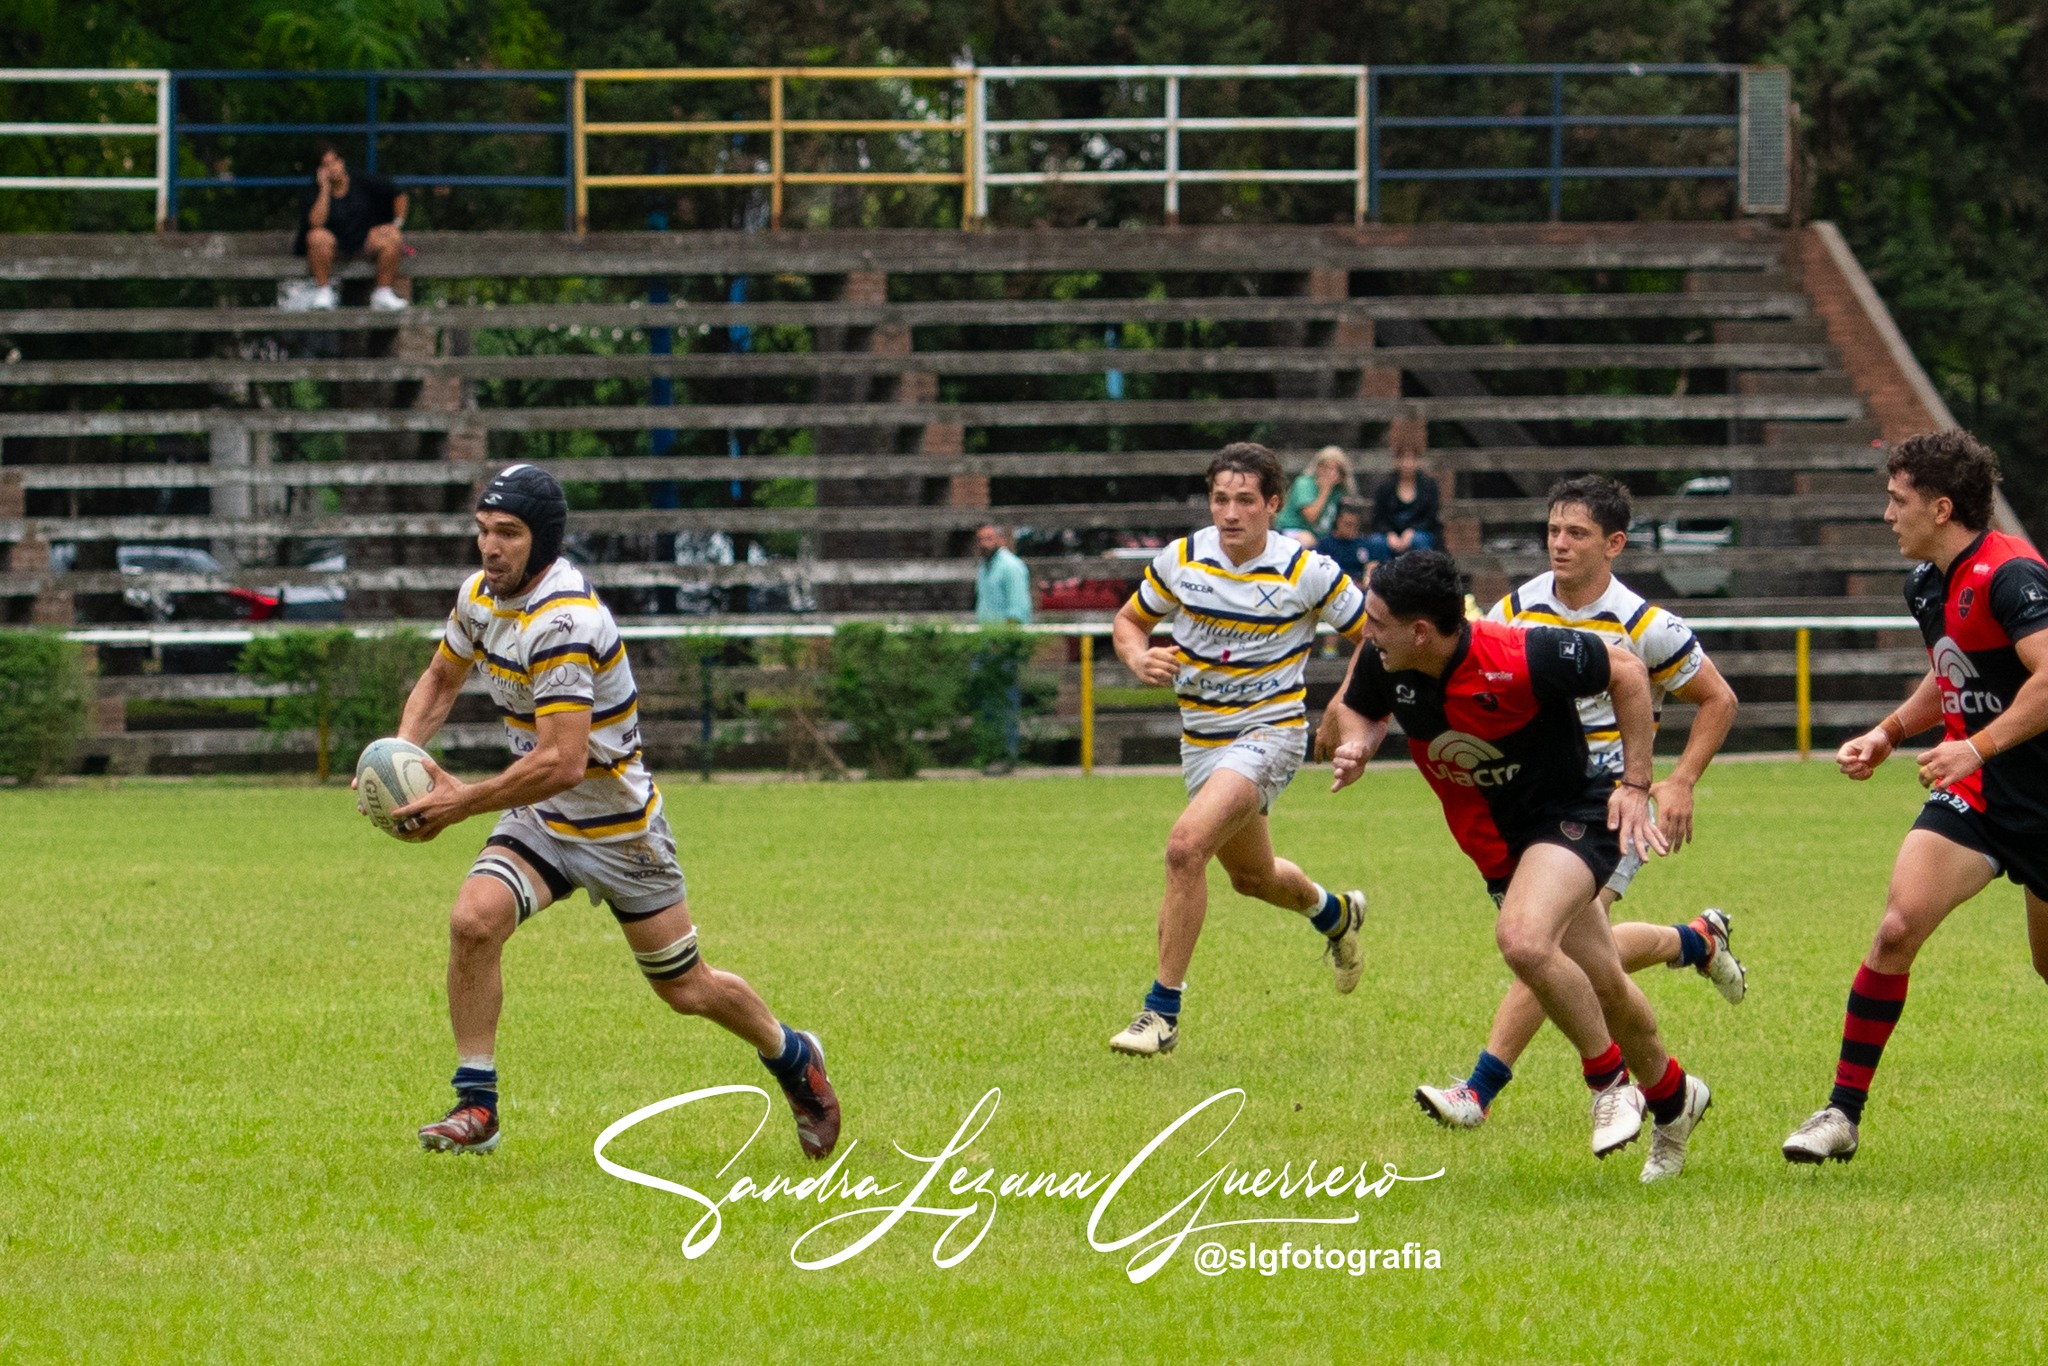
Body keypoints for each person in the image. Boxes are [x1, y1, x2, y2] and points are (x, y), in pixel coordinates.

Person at [378, 464, 841, 1159]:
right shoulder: (479, 598)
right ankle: (478, 1106)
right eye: (483, 532)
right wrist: (397, 761)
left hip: (620, 830)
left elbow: (562, 760)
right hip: (541, 818)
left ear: (543, 541)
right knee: (473, 922)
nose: (490, 548)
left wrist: (459, 803)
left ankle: (792, 1054)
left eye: (508, 534)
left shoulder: (565, 622)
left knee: (685, 988)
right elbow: (442, 677)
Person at [1326, 551, 1712, 1182]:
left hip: (1574, 818)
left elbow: (1630, 673)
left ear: (1420, 630)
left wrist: (1638, 783)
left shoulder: (1519, 654)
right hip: (1499, 847)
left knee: (1524, 941)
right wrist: (1358, 744)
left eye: (1376, 621)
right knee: (1606, 984)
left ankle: (1609, 1083)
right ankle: (1674, 1099)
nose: (1365, 633)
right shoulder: (1384, 660)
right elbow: (1361, 709)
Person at [1412, 475, 1744, 1131]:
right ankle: (1694, 941)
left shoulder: (1645, 623)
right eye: (1553, 530)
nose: (1559, 545)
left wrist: (1677, 782)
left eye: (1577, 534)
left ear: (1614, 544)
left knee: (1545, 938)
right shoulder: (1515, 610)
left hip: (1610, 805)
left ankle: (1479, 1090)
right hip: (1539, 806)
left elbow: (1719, 699)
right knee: (1581, 951)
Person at [1782, 431, 2048, 1165]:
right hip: (1978, 796)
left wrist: (1977, 743)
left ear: (1940, 506)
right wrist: (1890, 731)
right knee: (1898, 928)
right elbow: (1953, 670)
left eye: (1896, 501)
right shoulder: (1928, 583)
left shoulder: (2011, 574)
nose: (1886, 514)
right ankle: (1841, 1115)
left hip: (2032, 789)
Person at [1106, 442, 1370, 1057]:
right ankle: (1333, 913)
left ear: (1274, 504)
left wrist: (1341, 704)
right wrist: (1135, 655)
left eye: (1245, 500)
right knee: (1251, 878)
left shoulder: (1308, 571)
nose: (1230, 513)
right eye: (1220, 499)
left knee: (1184, 848)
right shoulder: (1182, 559)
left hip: (1271, 732)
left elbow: (1372, 638)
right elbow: (1129, 621)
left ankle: (1160, 1012)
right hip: (1201, 740)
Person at [290, 142, 409, 311]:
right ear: (319, 169)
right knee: (316, 237)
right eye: (326, 164)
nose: (333, 167)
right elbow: (316, 223)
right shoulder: (313, 190)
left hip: (362, 241)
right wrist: (325, 189)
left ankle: (383, 293)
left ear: (342, 161)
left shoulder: (362, 181)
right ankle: (323, 292)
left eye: (335, 161)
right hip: (332, 248)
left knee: (392, 237)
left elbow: (398, 192)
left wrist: (396, 224)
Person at [973, 523, 1034, 775]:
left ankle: (1006, 757)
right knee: (986, 702)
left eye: (989, 538)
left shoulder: (1011, 567)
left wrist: (1002, 642)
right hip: (986, 643)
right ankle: (991, 753)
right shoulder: (983, 568)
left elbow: (1017, 610)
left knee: (1005, 701)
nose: (984, 543)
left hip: (1003, 646)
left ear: (1000, 539)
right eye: (980, 539)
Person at [1365, 444, 1443, 564]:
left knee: (1419, 540)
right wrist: (1389, 533)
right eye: (1404, 459)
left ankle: (1420, 578)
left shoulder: (1429, 486)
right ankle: (1383, 579)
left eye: (1412, 459)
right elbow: (1378, 518)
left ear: (1418, 462)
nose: (1408, 463)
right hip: (1391, 534)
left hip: (1419, 532)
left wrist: (1412, 531)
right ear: (1397, 461)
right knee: (1377, 542)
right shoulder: (1385, 487)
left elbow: (1431, 518)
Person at [1276, 446, 1354, 548]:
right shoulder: (1305, 483)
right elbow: (1311, 517)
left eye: (1336, 469)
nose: (1331, 473)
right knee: (1307, 540)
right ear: (1318, 468)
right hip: (1293, 531)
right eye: (1327, 468)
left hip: (1324, 535)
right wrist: (1325, 491)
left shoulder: (1339, 490)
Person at [1315, 499, 1373, 584]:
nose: (1352, 529)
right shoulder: (1325, 545)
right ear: (1337, 521)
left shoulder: (1363, 544)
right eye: (1348, 525)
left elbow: (1370, 565)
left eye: (1355, 525)